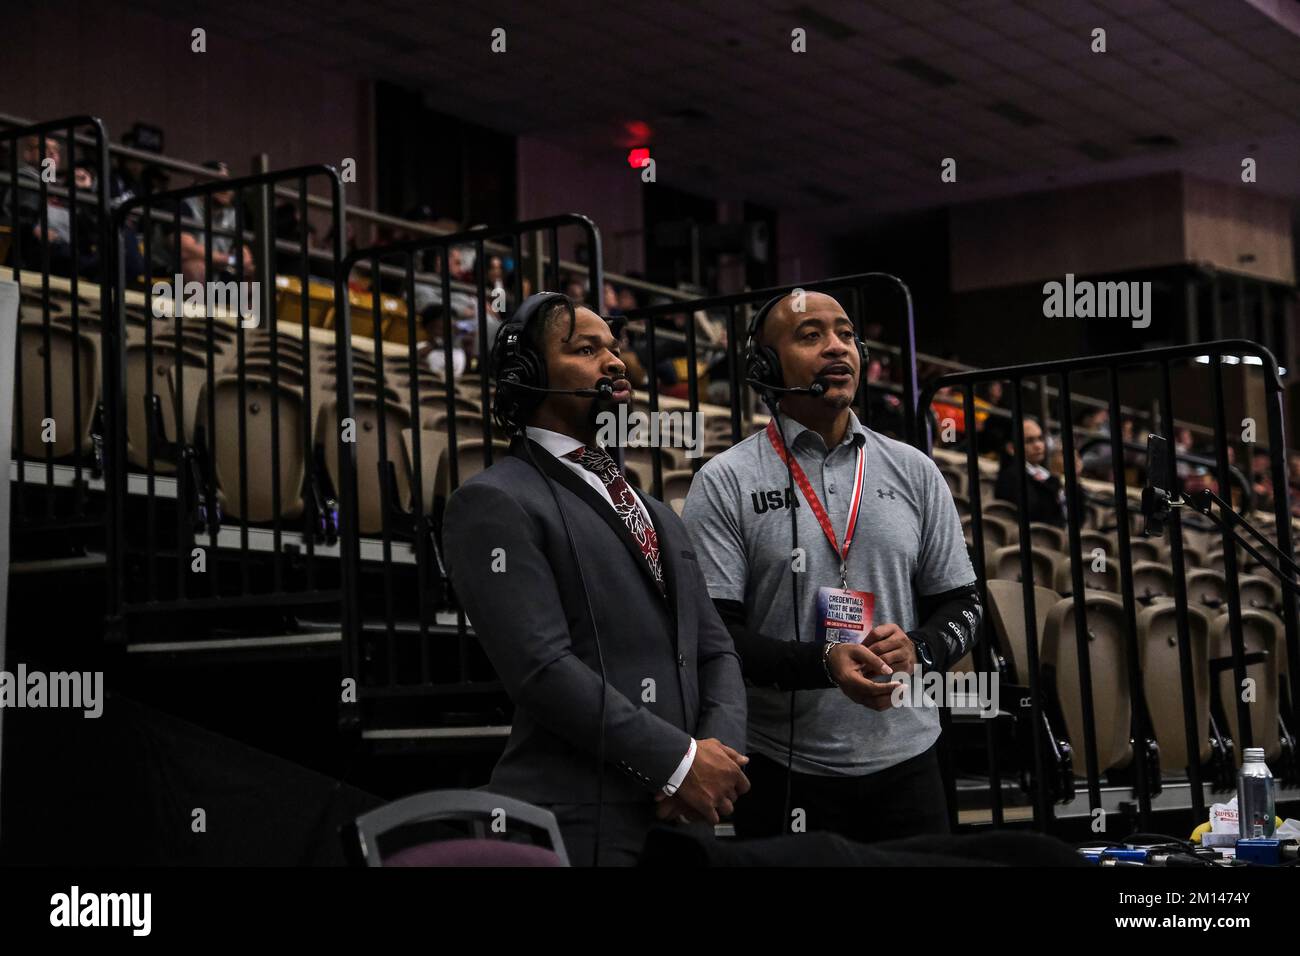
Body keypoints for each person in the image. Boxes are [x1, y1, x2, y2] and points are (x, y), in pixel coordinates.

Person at [442, 292, 750, 866]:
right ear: (528, 375)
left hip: (684, 821)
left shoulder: (657, 510)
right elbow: (542, 669)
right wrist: (678, 764)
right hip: (578, 821)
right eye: (586, 350)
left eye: (614, 348)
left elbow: (716, 651)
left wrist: (716, 760)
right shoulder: (492, 501)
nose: (615, 363)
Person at [682, 291, 980, 844]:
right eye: (810, 335)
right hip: (783, 768)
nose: (836, 347)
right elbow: (715, 632)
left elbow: (963, 604)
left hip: (911, 760)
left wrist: (921, 647)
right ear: (767, 366)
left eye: (845, 334)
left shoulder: (914, 470)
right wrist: (824, 662)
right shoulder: (726, 481)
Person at [994, 416, 1066, 526]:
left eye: (1040, 439)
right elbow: (1034, 513)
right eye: (1029, 441)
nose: (1038, 445)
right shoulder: (1010, 477)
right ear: (1011, 448)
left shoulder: (1047, 475)